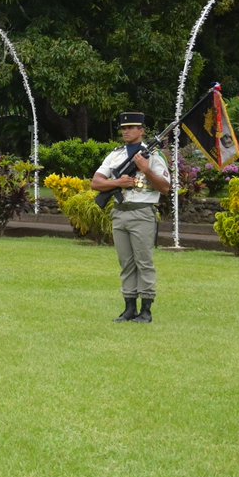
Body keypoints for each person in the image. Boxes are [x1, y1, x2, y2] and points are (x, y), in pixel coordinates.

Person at [90, 111, 171, 324]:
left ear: (142, 130)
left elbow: (164, 187)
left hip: (142, 212)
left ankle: (146, 310)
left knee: (144, 261)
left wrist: (146, 170)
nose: (126, 131)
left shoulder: (153, 156)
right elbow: (96, 182)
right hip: (120, 212)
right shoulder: (115, 155)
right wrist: (118, 183)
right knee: (126, 262)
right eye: (124, 128)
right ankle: (128, 308)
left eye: (131, 128)